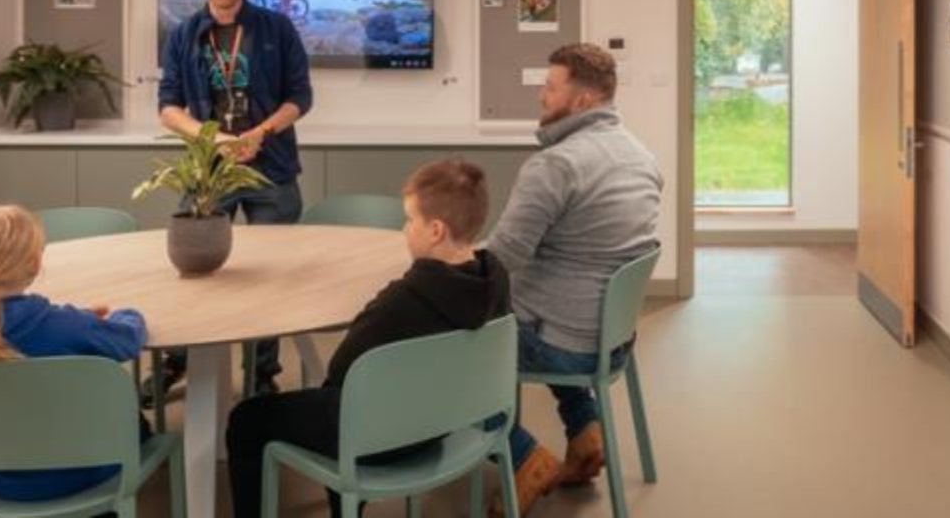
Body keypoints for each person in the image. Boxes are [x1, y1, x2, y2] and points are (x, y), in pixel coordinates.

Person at [225, 158, 510, 518]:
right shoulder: (495, 279)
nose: (405, 229)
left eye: (410, 220)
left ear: (436, 230)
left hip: (381, 437)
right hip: (443, 421)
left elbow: (342, 367)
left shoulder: (405, 299)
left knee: (246, 419)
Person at [486, 43, 661, 515]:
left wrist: (446, 261)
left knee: (443, 345)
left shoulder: (556, 165)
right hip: (611, 339)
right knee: (547, 313)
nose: (541, 95)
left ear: (582, 99)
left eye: (550, 87)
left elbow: (503, 257)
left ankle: (523, 456)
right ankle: (586, 429)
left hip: (562, 344)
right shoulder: (641, 156)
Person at [153, 0, 313, 399]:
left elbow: (300, 97)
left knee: (272, 276)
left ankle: (261, 373)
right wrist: (214, 139)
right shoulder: (183, 34)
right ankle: (179, 360)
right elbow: (168, 108)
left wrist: (261, 132)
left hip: (272, 168)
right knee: (194, 270)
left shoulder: (277, 28)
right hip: (210, 173)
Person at [0, 204, 148, 503]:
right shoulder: (66, 325)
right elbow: (129, 339)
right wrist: (127, 314)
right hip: (81, 470)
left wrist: (77, 318)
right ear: (36, 262)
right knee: (139, 424)